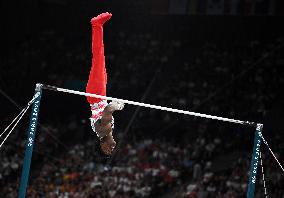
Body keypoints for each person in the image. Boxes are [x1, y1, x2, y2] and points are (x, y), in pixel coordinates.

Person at [86, 12, 124, 155]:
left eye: (108, 149)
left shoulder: (104, 130)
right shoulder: (106, 131)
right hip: (99, 95)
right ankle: (97, 26)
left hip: (96, 95)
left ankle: (96, 24)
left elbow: (108, 109)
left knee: (98, 56)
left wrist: (118, 105)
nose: (112, 148)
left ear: (102, 146)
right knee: (99, 57)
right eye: (112, 150)